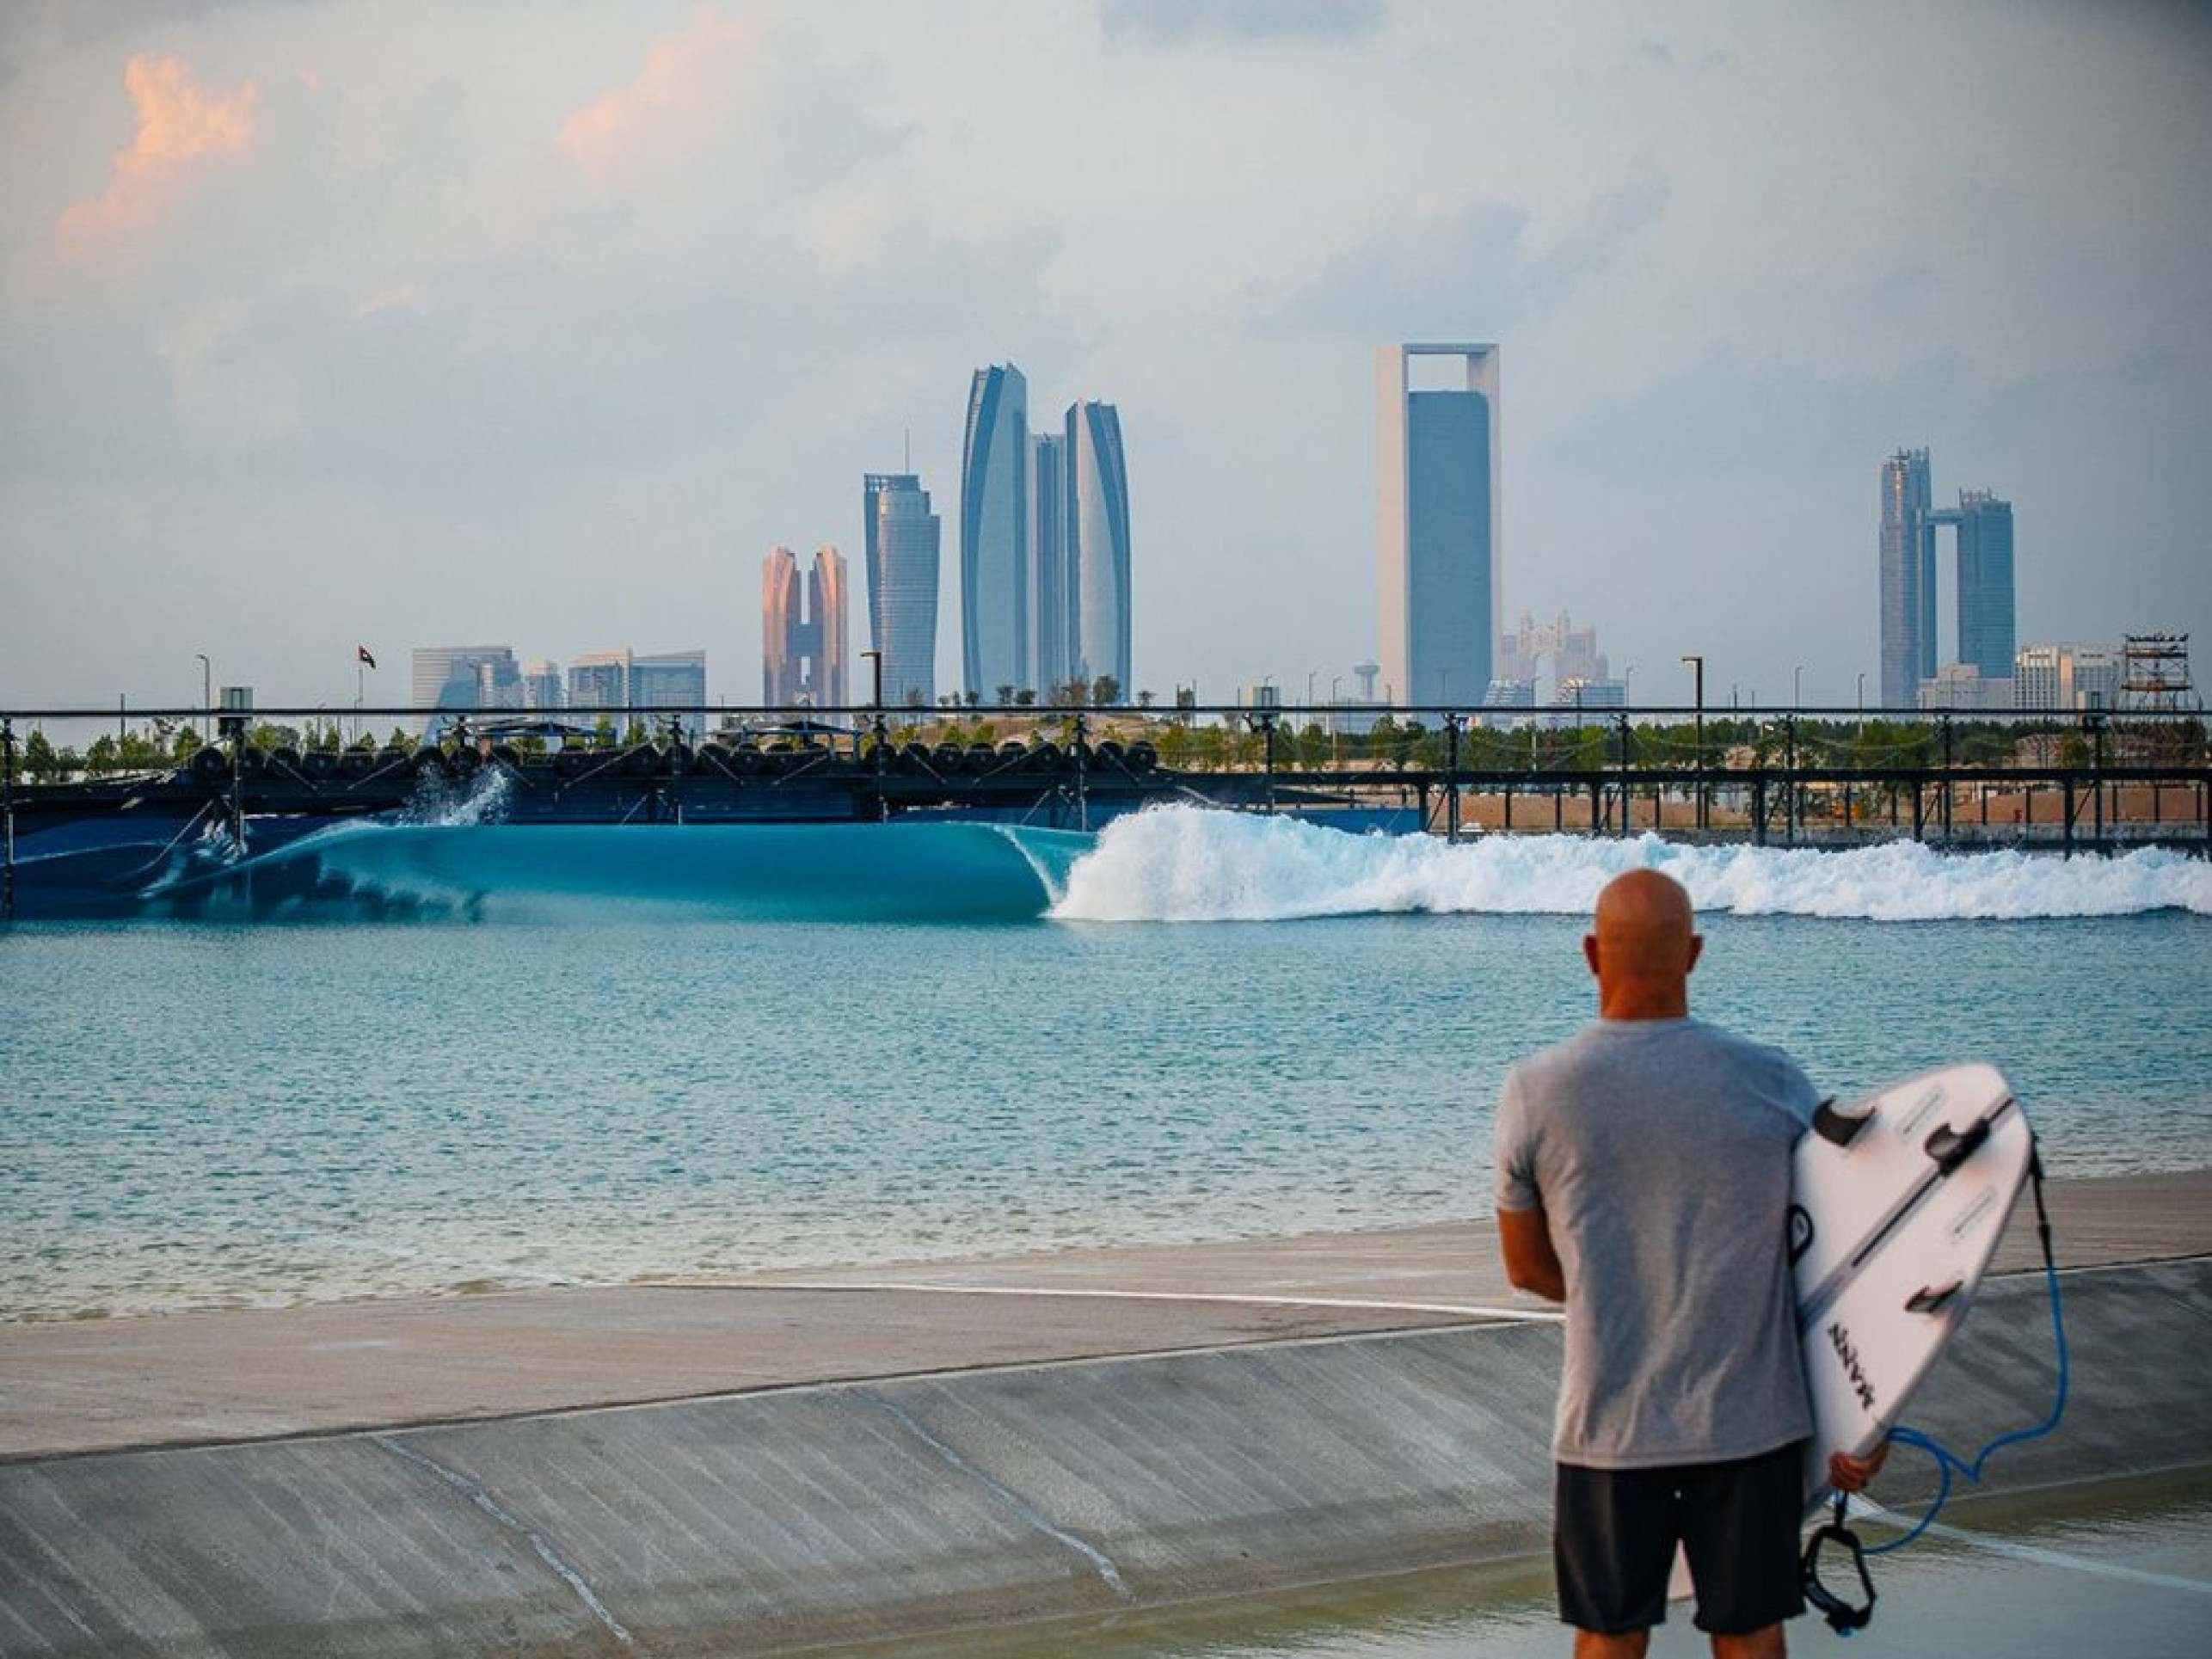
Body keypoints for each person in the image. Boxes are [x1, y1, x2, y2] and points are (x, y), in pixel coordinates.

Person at [1494, 869, 1885, 1659]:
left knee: (1609, 1638)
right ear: (1696, 954)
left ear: (1590, 954)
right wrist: (1869, 1418)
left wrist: (1620, 1284)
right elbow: (1843, 1261)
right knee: (1750, 1636)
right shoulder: (1772, 1080)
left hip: (1611, 1427)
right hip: (1752, 1428)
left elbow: (1527, 1270)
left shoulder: (1537, 1092)